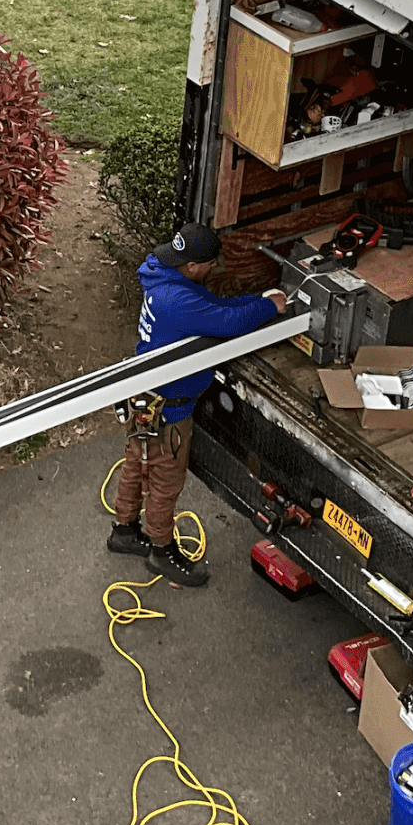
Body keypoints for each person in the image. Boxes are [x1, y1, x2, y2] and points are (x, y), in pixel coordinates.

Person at [111, 223, 287, 588]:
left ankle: (124, 531)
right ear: (192, 266)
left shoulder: (163, 276)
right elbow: (227, 321)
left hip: (144, 400)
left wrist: (260, 300)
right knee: (165, 483)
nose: (214, 268)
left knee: (136, 464)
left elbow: (213, 308)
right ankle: (162, 552)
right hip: (168, 412)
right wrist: (268, 307)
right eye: (210, 263)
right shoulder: (178, 301)